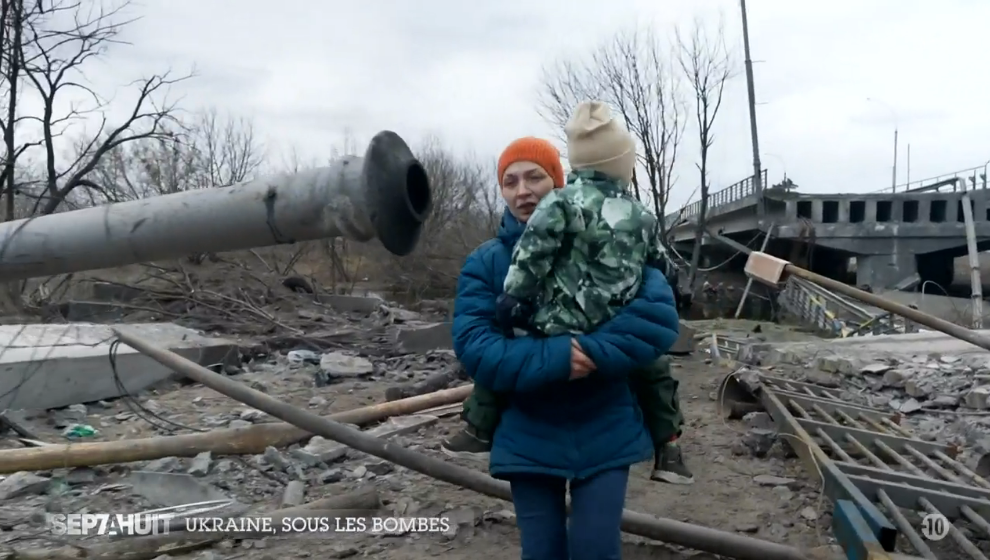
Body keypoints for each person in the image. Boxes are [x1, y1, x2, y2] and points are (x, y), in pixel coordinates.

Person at [451, 133, 682, 560]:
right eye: (510, 181)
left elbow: (656, 318)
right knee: (542, 552)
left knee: (596, 549)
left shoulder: (613, 245)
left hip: (605, 425)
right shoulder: (487, 263)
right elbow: (475, 347)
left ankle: (670, 444)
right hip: (528, 430)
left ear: (559, 181)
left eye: (534, 177)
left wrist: (591, 351)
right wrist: (558, 358)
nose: (523, 191)